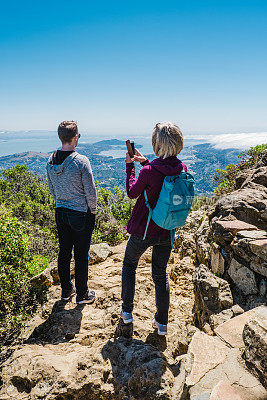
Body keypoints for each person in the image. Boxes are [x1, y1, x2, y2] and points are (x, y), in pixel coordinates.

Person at [121, 122, 187, 335]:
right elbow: (163, 179)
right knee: (160, 274)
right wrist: (145, 162)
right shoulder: (182, 169)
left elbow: (132, 192)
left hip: (144, 229)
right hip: (167, 230)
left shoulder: (149, 171)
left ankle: (127, 312)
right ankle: (162, 323)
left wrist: (130, 165)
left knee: (130, 264)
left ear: (157, 144)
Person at [46, 121, 97, 304]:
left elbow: (52, 189)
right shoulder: (81, 161)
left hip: (60, 211)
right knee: (81, 254)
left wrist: (62, 199)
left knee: (64, 252)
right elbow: (90, 191)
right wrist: (93, 211)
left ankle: (67, 290)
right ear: (75, 137)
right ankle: (82, 294)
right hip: (80, 214)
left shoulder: (51, 160)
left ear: (61, 137)